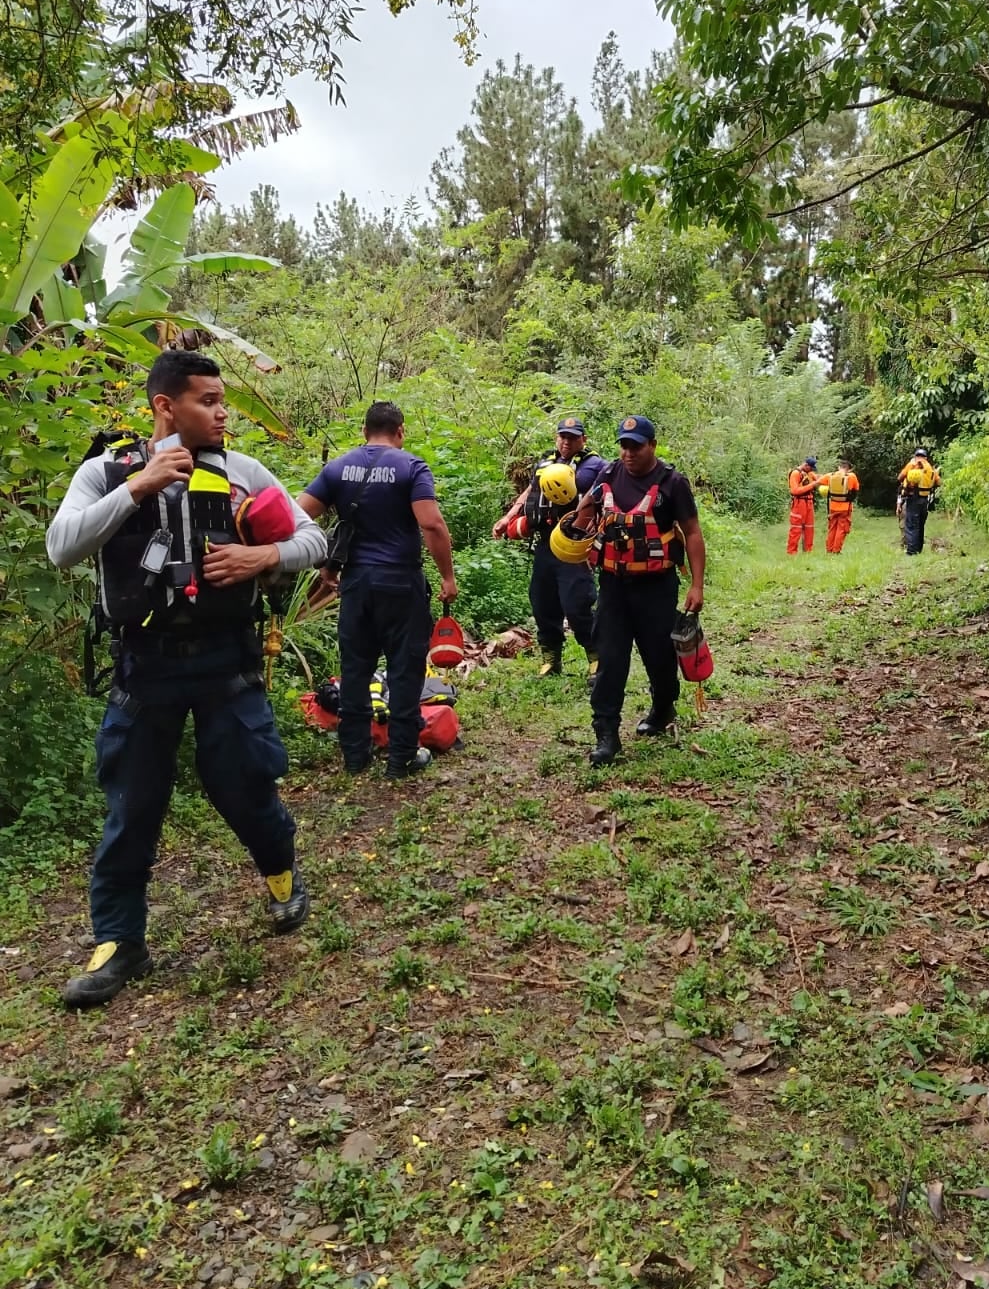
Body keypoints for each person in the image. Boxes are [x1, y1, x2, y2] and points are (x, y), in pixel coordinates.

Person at [46, 350, 326, 1010]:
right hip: (144, 666)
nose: (223, 411)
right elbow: (62, 546)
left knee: (245, 780)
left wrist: (265, 554)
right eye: (207, 400)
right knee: (132, 803)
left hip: (226, 660)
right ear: (165, 408)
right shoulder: (106, 472)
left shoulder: (246, 474)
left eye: (223, 399)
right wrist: (139, 487)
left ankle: (281, 875)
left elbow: (313, 539)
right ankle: (119, 942)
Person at [299, 401, 458, 779]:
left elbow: (298, 515)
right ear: (400, 430)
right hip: (401, 582)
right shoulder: (411, 466)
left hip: (356, 584)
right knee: (404, 670)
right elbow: (431, 525)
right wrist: (448, 578)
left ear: (364, 431)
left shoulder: (337, 467)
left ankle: (355, 756)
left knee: (355, 669)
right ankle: (401, 757)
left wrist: (324, 560)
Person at [572, 416, 706, 767]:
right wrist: (577, 536)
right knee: (610, 660)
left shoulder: (672, 483)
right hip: (614, 586)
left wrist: (696, 584)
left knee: (660, 659)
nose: (628, 452)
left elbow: (691, 533)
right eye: (624, 445)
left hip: (657, 587)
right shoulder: (609, 474)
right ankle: (606, 733)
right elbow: (585, 511)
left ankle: (663, 708)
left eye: (636, 445)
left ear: (652, 445)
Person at [492, 416, 604, 682]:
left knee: (577, 603)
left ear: (583, 440)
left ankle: (597, 658)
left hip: (572, 544)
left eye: (573, 437)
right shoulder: (545, 462)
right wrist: (509, 517)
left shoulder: (595, 466)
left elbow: (599, 496)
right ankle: (550, 659)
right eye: (562, 436)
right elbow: (530, 491)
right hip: (545, 543)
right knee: (542, 602)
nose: (566, 442)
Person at [897, 446, 941, 555]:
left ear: (916, 457)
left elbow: (900, 477)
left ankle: (911, 551)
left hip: (913, 498)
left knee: (911, 525)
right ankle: (918, 549)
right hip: (925, 499)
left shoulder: (912, 465)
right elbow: (938, 482)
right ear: (926, 458)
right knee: (921, 525)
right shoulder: (931, 469)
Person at [817, 455, 860, 554]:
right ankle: (836, 550)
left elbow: (818, 482)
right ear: (848, 469)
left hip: (832, 507)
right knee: (841, 529)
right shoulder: (852, 476)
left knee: (832, 528)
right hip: (845, 508)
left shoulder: (830, 475)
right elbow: (856, 490)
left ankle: (829, 549)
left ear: (839, 467)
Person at [786, 456, 820, 554]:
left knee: (809, 528)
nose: (811, 471)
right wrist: (812, 485)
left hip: (809, 503)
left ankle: (808, 551)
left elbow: (818, 478)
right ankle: (791, 552)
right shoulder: (795, 473)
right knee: (796, 528)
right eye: (811, 468)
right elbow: (795, 490)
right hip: (799, 503)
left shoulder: (809, 473)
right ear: (806, 465)